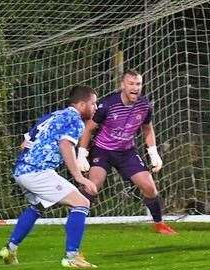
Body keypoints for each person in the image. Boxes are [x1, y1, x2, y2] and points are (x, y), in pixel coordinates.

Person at [0, 85, 99, 268]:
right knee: (81, 203)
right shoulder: (75, 120)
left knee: (37, 207)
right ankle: (72, 257)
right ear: (82, 104)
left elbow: (24, 144)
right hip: (38, 171)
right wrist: (80, 177)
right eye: (93, 103)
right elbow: (65, 145)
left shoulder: (52, 116)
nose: (95, 107)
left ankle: (9, 249)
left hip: (21, 170)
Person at [76, 70, 177, 235]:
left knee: (149, 187)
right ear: (123, 85)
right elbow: (89, 128)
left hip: (126, 152)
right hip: (103, 151)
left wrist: (153, 152)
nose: (135, 88)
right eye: (131, 84)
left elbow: (147, 128)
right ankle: (75, 222)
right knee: (92, 187)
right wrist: (82, 154)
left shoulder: (144, 105)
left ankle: (159, 224)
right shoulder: (108, 104)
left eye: (138, 84)